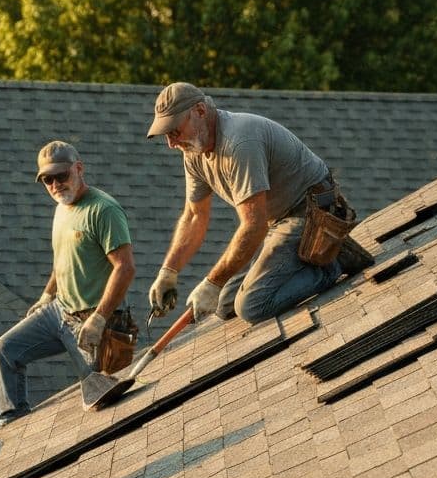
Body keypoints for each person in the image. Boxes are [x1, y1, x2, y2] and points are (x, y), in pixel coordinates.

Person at [145, 82, 369, 325]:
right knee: (223, 303)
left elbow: (254, 226)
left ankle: (331, 262)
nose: (171, 143)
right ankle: (315, 256)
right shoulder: (194, 154)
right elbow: (194, 216)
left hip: (312, 211)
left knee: (252, 305)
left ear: (199, 111)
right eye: (166, 135)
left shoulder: (239, 142)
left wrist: (212, 283)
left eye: (174, 131)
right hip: (281, 221)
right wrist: (168, 272)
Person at [0, 141, 136, 426]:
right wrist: (47, 296)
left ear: (79, 169)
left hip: (93, 321)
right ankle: (12, 427)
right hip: (59, 310)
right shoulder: (62, 208)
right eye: (48, 179)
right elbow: (64, 260)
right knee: (5, 350)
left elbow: (125, 267)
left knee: (100, 402)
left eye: (62, 176)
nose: (56, 184)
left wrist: (99, 319)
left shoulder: (103, 210)